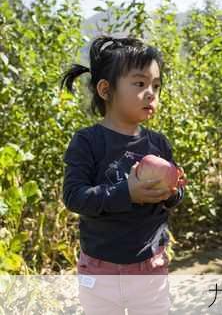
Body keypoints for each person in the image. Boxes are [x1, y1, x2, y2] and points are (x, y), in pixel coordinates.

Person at [60, 35, 186, 315]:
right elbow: (74, 196)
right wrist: (126, 192)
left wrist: (174, 190)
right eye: (140, 84)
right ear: (106, 90)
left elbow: (172, 199)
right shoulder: (88, 142)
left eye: (156, 85)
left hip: (149, 267)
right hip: (100, 269)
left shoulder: (158, 144)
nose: (151, 92)